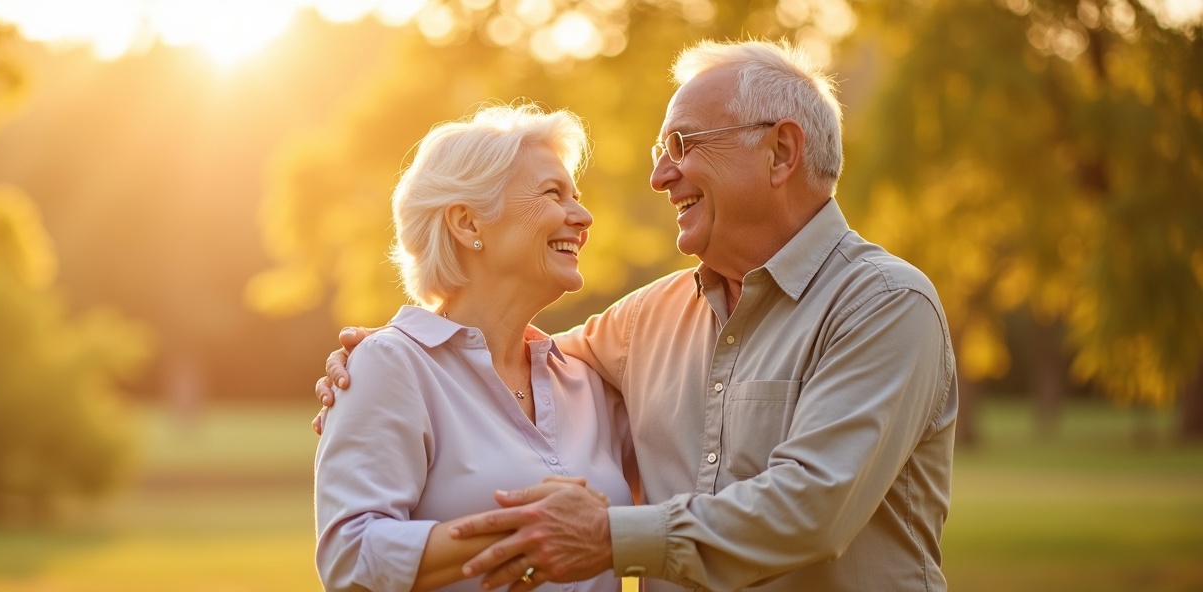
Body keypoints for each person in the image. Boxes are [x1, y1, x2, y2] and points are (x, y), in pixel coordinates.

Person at [316, 39, 957, 592]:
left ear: (781, 153)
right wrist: (390, 357)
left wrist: (606, 535)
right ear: (466, 223)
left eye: (682, 144)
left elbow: (813, 509)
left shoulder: (884, 305)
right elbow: (490, 362)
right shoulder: (647, 319)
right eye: (661, 148)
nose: (659, 175)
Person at [312, 103, 636, 592]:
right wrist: (530, 530)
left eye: (577, 196)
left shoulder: (589, 379)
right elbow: (351, 555)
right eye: (554, 193)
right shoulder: (391, 365)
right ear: (468, 224)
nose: (584, 216)